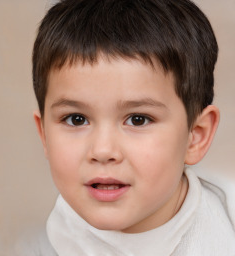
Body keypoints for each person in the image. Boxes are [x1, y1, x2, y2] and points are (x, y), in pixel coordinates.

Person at [26, 0, 235, 255]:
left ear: (196, 136)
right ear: (44, 135)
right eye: (76, 119)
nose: (103, 150)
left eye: (138, 119)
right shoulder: (36, 245)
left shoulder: (224, 238)